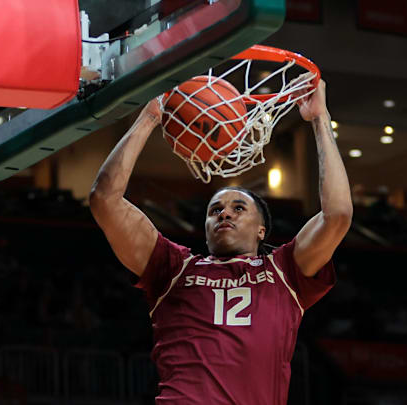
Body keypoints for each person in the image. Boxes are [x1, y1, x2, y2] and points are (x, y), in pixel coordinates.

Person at [89, 79, 352, 404]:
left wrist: (320, 119)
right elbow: (104, 199)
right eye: (215, 210)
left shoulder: (285, 271)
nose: (224, 214)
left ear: (261, 231)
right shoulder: (172, 268)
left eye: (238, 208)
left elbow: (338, 214)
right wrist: (149, 117)